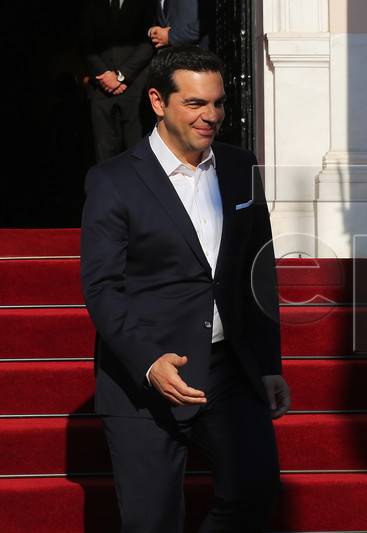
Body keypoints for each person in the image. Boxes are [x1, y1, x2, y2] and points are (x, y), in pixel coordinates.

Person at [80, 45, 289, 532]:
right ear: (158, 101)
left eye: (217, 103)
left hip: (228, 369)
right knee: (151, 522)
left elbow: (258, 272)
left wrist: (267, 363)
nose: (210, 115)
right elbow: (103, 286)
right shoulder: (112, 180)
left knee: (256, 492)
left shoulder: (240, 166)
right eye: (195, 103)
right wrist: (149, 361)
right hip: (143, 379)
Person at [80, 0, 157, 163]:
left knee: (139, 153)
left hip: (136, 87)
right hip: (100, 89)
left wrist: (122, 75)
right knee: (103, 156)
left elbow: (150, 41)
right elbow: (85, 43)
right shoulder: (92, 5)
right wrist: (104, 75)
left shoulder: (145, 3)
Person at [149, 0, 214, 51]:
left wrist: (170, 36)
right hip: (165, 56)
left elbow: (209, 18)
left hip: (194, 55)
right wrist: (152, 31)